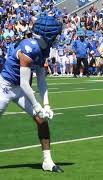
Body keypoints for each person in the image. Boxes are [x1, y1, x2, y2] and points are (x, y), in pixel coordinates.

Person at [0, 12, 63, 172]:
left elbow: (41, 79)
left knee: (42, 121)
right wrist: (37, 106)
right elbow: (24, 83)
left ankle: (47, 161)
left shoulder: (43, 48)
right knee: (38, 114)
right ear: (46, 34)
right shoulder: (30, 47)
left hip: (21, 89)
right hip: (5, 87)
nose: (56, 38)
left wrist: (46, 105)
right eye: (54, 35)